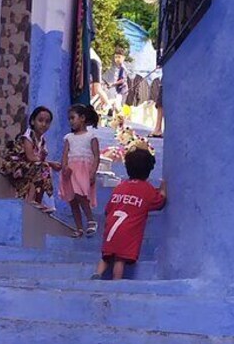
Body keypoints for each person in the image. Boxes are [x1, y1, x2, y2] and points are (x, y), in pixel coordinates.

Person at [92, 148, 167, 280]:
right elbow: (159, 202)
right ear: (148, 170)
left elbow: (108, 208)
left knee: (106, 255)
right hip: (128, 232)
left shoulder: (120, 186)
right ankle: (116, 282)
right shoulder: (147, 189)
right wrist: (163, 189)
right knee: (120, 259)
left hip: (111, 228)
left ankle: (97, 274)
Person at [2, 106, 61, 213]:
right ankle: (32, 199)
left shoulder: (42, 141)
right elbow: (30, 157)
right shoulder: (28, 135)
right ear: (33, 121)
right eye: (40, 120)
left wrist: (44, 159)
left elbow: (39, 159)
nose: (44, 124)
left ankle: (37, 200)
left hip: (28, 168)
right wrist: (51, 163)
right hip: (16, 166)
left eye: (47, 122)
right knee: (43, 167)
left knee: (43, 170)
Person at [60, 104, 101, 238]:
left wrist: (93, 172)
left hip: (84, 170)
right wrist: (64, 167)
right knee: (72, 199)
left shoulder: (91, 136)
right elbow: (65, 154)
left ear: (82, 118)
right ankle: (79, 228)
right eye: (69, 119)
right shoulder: (68, 137)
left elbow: (96, 156)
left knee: (81, 195)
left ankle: (90, 219)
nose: (71, 121)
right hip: (71, 171)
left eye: (73, 118)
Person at [107, 48, 129, 113]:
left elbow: (122, 80)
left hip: (122, 91)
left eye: (119, 57)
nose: (117, 59)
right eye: (116, 57)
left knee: (118, 108)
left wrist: (113, 84)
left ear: (123, 58)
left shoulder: (123, 68)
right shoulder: (117, 67)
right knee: (115, 107)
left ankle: (120, 121)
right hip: (118, 91)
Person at [89, 47, 111, 112]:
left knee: (97, 88)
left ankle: (108, 105)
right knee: (94, 91)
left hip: (94, 61)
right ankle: (103, 104)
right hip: (93, 61)